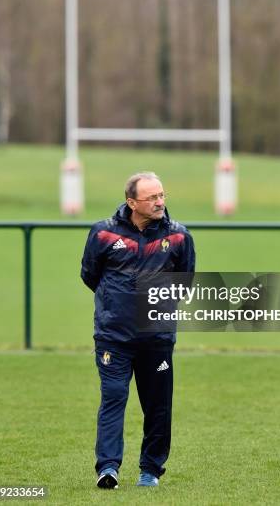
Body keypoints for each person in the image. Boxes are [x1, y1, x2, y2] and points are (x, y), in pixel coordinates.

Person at [81, 172, 195, 489]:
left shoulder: (179, 237)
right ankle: (107, 468)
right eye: (152, 197)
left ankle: (150, 470)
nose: (160, 202)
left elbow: (184, 284)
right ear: (132, 202)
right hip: (113, 338)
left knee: (158, 406)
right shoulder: (103, 233)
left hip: (157, 339)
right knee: (114, 398)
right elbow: (90, 275)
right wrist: (118, 305)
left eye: (162, 195)